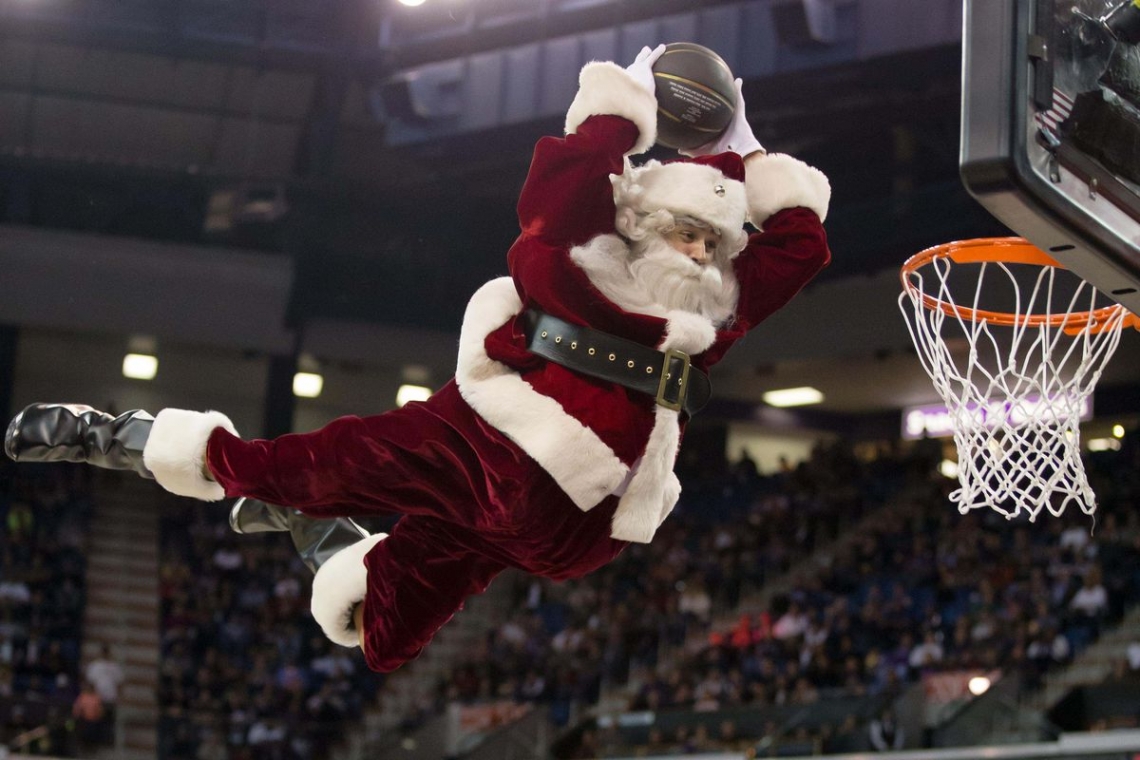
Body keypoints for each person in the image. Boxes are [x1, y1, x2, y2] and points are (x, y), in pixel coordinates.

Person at [5, 45, 831, 674]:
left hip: (580, 528)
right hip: (493, 452)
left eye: (712, 242)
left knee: (383, 641)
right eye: (685, 233)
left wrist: (748, 151)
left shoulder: (712, 310)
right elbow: (565, 185)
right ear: (642, 227)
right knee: (310, 464)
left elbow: (800, 247)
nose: (699, 253)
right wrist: (627, 104)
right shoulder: (588, 255)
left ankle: (321, 537)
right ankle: (127, 439)